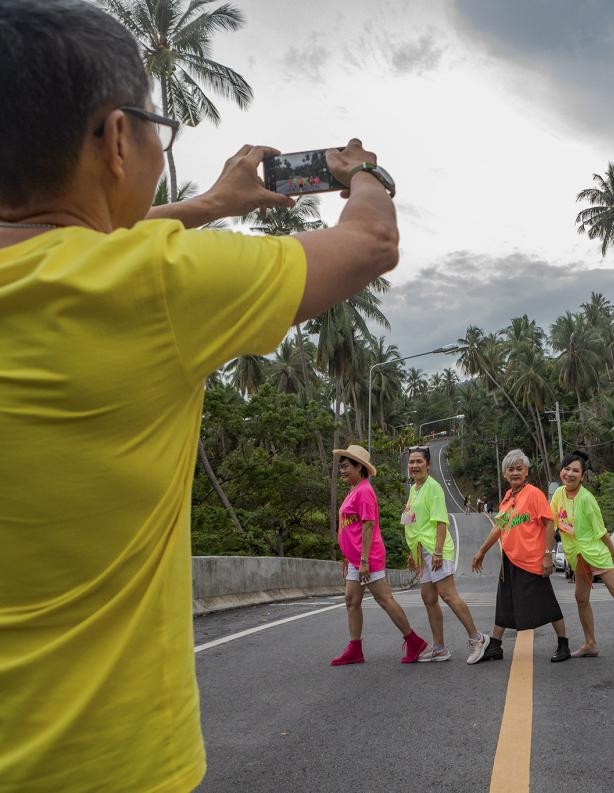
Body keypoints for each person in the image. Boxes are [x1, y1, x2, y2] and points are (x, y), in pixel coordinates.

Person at [0, 2, 403, 788]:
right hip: (105, 767)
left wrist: (212, 203)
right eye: (156, 125)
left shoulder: (112, 270)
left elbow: (66, 240)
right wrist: (364, 173)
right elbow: (370, 243)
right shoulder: (153, 286)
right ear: (117, 138)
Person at [550, 451, 614, 661]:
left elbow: (600, 530)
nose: (570, 473)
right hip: (577, 555)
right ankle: (590, 643)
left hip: (596, 553)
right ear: (561, 470)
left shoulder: (587, 499)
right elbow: (550, 523)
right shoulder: (558, 495)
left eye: (575, 471)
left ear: (582, 475)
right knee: (581, 598)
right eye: (567, 469)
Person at [471, 450, 571, 663]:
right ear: (504, 474)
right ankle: (495, 646)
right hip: (510, 560)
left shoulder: (534, 494)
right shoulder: (508, 497)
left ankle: (563, 643)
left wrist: (547, 555)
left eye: (519, 468)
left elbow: (548, 523)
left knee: (548, 603)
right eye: (510, 469)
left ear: (526, 471)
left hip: (531, 561)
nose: (515, 472)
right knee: (504, 603)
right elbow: (499, 526)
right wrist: (482, 551)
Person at [331, 446, 427, 666]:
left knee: (384, 599)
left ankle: (414, 641)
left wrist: (364, 560)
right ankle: (355, 648)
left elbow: (368, 525)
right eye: (341, 467)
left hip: (368, 558)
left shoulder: (364, 491)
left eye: (346, 467)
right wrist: (349, 555)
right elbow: (351, 527)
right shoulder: (354, 489)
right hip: (356, 558)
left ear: (359, 467)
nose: (342, 471)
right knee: (351, 600)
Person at [402, 446, 490, 664]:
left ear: (428, 465)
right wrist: (413, 553)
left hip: (436, 549)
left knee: (448, 595)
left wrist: (439, 551)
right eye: (411, 462)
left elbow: (441, 521)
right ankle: (440, 647)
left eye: (419, 462)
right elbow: (413, 523)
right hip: (422, 550)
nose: (414, 465)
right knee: (428, 598)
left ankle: (477, 639)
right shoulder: (414, 489)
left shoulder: (434, 487)